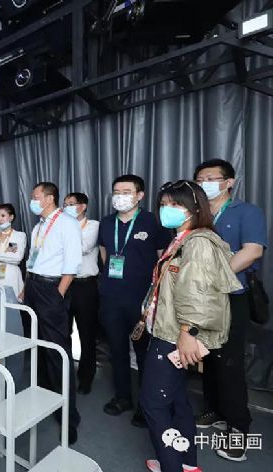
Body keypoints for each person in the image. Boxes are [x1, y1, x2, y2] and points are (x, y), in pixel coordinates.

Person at [141, 180, 241, 472]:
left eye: (175, 204)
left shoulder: (197, 242)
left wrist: (187, 333)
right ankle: (186, 463)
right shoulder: (183, 239)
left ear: (195, 208)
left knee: (154, 404)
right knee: (177, 401)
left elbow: (197, 294)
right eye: (163, 204)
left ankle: (171, 465)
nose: (167, 209)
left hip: (174, 335)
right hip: (169, 330)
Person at [194, 159, 268, 462]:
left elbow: (252, 251)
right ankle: (215, 410)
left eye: (211, 178)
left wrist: (214, 278)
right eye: (200, 179)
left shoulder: (246, 212)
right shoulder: (196, 213)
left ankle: (239, 428)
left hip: (231, 297)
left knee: (230, 363)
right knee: (208, 357)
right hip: (200, 299)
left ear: (229, 182)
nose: (205, 183)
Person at [98, 174, 172, 427]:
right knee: (117, 349)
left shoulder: (152, 221)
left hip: (141, 299)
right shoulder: (106, 222)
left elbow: (163, 260)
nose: (120, 196)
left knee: (143, 353)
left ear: (140, 195)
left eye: (126, 192)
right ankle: (122, 397)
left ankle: (145, 404)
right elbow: (105, 254)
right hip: (111, 297)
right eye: (116, 192)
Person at [22, 182, 83, 444]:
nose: (32, 201)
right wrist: (26, 288)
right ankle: (46, 399)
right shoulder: (38, 226)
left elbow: (72, 264)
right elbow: (33, 259)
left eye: (36, 197)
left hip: (52, 289)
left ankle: (69, 417)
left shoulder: (67, 224)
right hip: (33, 286)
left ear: (49, 198)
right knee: (37, 347)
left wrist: (58, 295)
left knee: (58, 352)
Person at [63, 192, 100, 394]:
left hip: (86, 286)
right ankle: (65, 373)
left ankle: (86, 377)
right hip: (65, 284)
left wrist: (63, 241)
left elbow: (83, 247)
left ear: (83, 206)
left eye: (71, 204)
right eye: (65, 204)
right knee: (63, 332)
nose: (67, 207)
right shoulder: (62, 225)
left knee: (87, 334)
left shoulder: (93, 225)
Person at [0, 203, 26, 300]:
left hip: (11, 276)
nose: (0, 219)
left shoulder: (18, 236)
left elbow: (16, 258)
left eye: (3, 216)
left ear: (11, 217)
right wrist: (5, 255)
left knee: (13, 305)